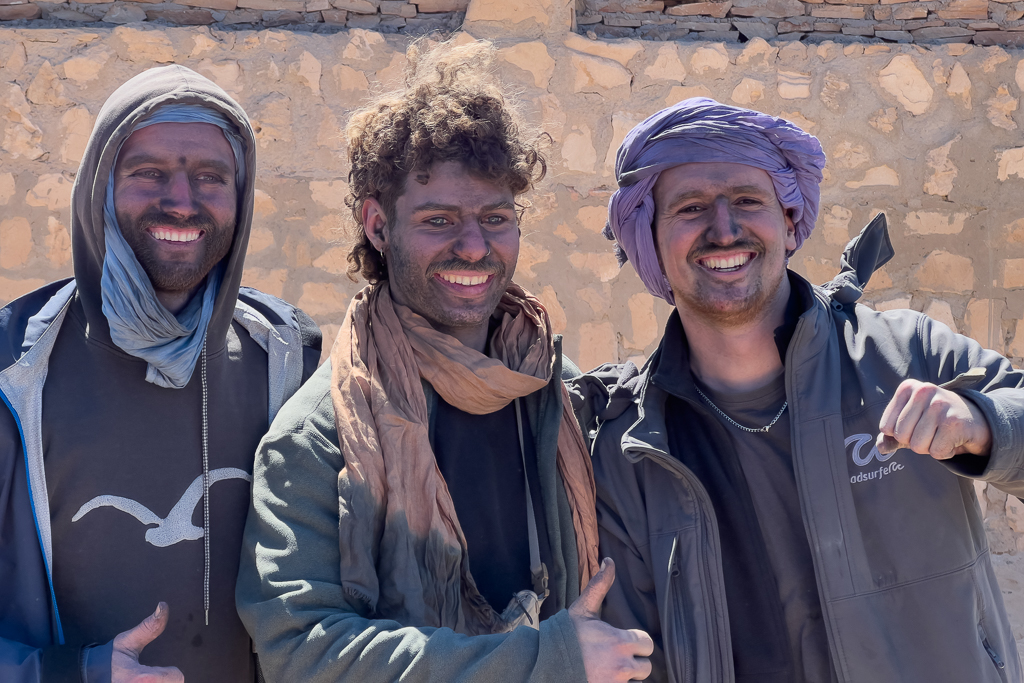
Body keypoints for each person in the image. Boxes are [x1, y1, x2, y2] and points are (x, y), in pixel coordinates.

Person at [236, 39, 652, 683]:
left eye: (496, 218)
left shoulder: (560, 396)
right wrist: (547, 659)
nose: (474, 247)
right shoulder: (322, 435)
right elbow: (302, 648)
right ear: (378, 226)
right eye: (439, 220)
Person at [573, 97, 1024, 683]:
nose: (724, 229)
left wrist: (983, 424)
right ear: (649, 240)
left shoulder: (907, 356)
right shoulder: (629, 446)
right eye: (690, 208)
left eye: (747, 200)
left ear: (789, 222)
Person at [0, 65, 321, 683]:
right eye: (148, 173)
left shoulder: (287, 361)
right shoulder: (14, 371)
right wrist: (73, 673)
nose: (181, 201)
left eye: (211, 177)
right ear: (99, 187)